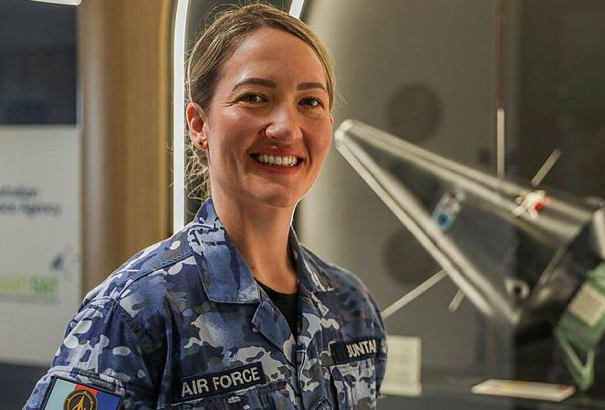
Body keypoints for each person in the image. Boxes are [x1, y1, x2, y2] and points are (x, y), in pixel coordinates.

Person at [23, 4, 387, 409]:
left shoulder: (353, 308)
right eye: (255, 97)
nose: (286, 127)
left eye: (310, 102)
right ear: (199, 125)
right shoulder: (134, 310)